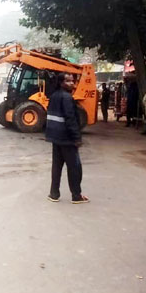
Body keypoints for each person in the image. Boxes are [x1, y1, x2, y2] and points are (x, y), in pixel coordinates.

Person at [45, 73, 89, 204]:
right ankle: (76, 196)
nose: (73, 84)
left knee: (56, 167)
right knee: (75, 168)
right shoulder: (67, 98)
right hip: (67, 139)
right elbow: (70, 119)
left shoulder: (54, 96)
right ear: (61, 83)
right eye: (69, 81)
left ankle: (54, 194)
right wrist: (77, 138)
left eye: (73, 81)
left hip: (55, 138)